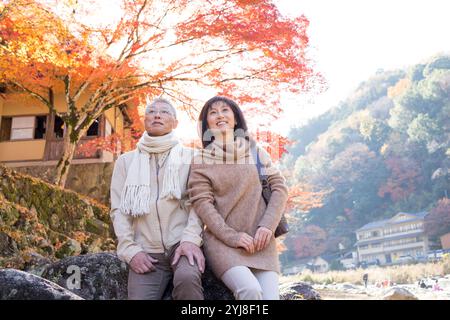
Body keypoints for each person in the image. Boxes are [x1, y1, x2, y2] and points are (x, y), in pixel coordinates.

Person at [187, 96, 289, 300]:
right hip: (223, 244)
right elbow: (203, 205)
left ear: (235, 119)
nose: (219, 115)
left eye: (225, 110)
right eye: (213, 113)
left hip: (261, 241)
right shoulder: (200, 160)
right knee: (250, 290)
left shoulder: (255, 152)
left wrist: (267, 226)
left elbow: (279, 188)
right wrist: (232, 237)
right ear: (207, 123)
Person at [110, 97, 205, 300]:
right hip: (147, 251)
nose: (158, 115)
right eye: (152, 112)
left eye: (165, 112)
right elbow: (119, 210)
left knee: (188, 280)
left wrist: (190, 240)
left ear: (175, 123)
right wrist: (130, 250)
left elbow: (200, 204)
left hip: (181, 244)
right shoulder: (126, 162)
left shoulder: (192, 157)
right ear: (145, 120)